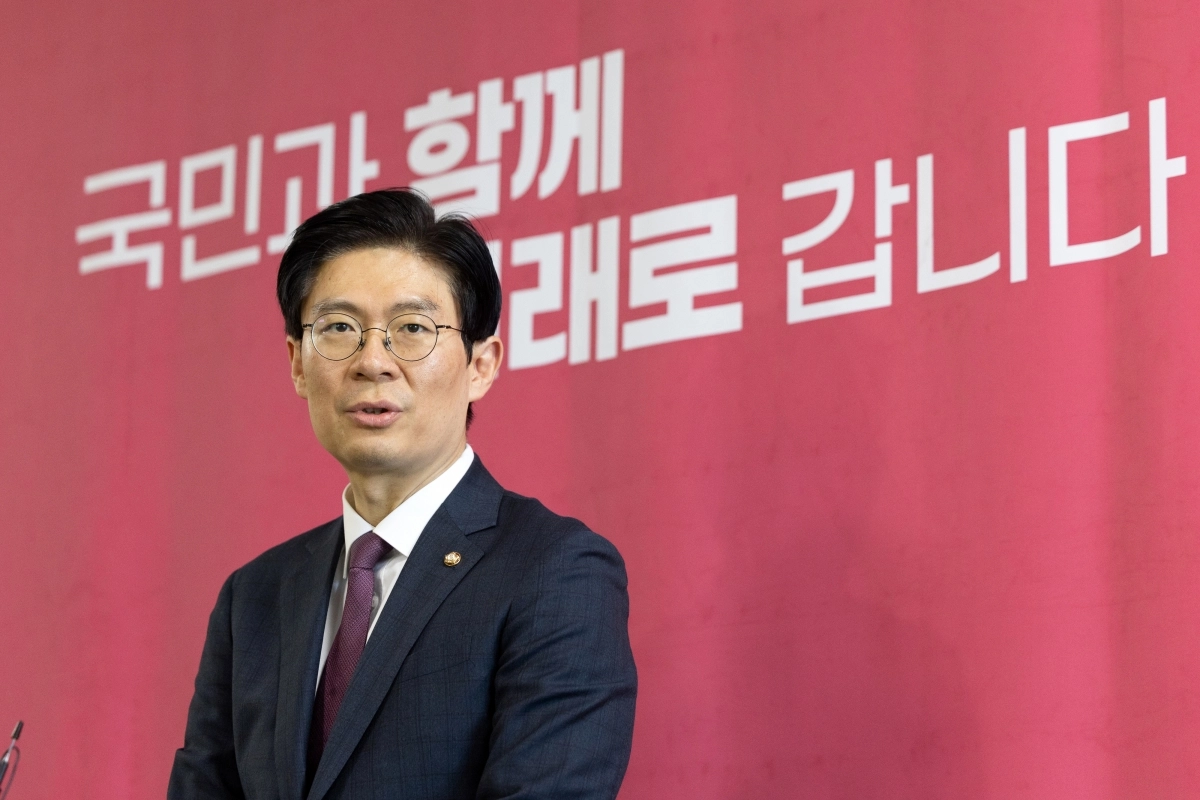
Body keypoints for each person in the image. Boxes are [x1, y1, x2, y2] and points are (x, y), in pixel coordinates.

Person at [168, 189, 637, 800]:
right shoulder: (254, 597)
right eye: (339, 328)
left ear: (481, 365)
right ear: (298, 364)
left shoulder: (555, 569)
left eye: (412, 328)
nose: (373, 361)